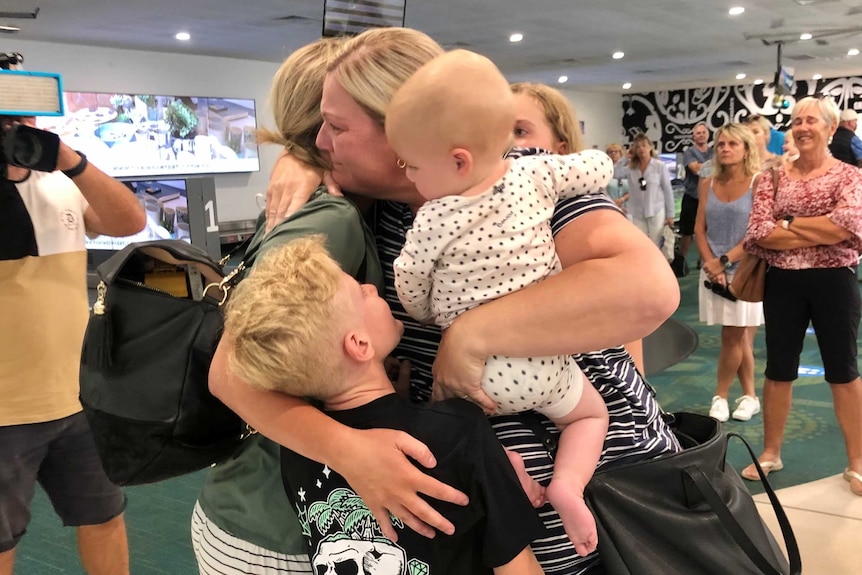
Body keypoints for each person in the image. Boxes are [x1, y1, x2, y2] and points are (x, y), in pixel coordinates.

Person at [213, 27, 681, 575]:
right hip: (489, 521)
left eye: (335, 127)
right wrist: (347, 451)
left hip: (619, 504)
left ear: (405, 132)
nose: (319, 141)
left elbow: (649, 289)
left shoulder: (512, 180)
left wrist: (471, 335)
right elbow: (233, 372)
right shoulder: (374, 211)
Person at [386, 49, 611, 556]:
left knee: (455, 428)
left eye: (413, 165)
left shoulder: (433, 218)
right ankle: (568, 486)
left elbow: (411, 287)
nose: (410, 177)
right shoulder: (534, 176)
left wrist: (425, 312)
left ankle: (506, 464)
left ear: (458, 160)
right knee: (587, 416)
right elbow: (594, 168)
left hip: (476, 374)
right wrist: (602, 160)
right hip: (544, 360)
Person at [225, 236, 545, 574]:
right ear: (359, 344)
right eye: (361, 292)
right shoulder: (459, 430)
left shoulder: (296, 450)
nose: (372, 289)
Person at [0, 117, 145, 573]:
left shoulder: (60, 182)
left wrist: (67, 158)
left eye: (24, 115)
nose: (16, 127)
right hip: (4, 410)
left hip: (76, 398)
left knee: (104, 519)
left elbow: (129, 220)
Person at [740, 96, 862, 498]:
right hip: (784, 283)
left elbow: (847, 228)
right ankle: (771, 451)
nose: (803, 126)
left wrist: (788, 222)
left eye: (812, 120)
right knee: (778, 369)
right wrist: (822, 226)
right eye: (797, 121)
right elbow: (759, 232)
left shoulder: (849, 176)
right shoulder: (773, 178)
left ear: (831, 129)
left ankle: (858, 460)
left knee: (843, 370)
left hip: (834, 281)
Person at [509, 82, 644, 374]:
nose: (504, 143)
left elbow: (630, 303)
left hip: (579, 378)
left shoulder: (577, 208)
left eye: (519, 131)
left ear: (562, 149)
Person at [694, 123, 764, 422]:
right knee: (739, 338)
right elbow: (699, 228)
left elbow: (758, 232)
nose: (725, 148)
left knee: (732, 336)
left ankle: (720, 395)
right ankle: (750, 395)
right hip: (713, 271)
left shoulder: (758, 182)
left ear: (746, 149)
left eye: (733, 144)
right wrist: (712, 263)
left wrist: (724, 261)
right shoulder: (707, 183)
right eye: (721, 144)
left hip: (745, 270)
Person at [626, 132, 675, 247]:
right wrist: (625, 157)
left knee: (656, 243)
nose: (641, 149)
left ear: (650, 147)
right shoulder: (631, 168)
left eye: (644, 145)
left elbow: (668, 190)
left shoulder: (659, 166)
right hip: (637, 212)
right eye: (637, 147)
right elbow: (616, 172)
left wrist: (670, 215)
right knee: (640, 243)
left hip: (656, 210)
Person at [680, 123, 713, 264]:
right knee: (686, 231)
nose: (701, 135)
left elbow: (703, 168)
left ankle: (703, 259)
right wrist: (714, 166)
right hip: (692, 197)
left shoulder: (714, 151)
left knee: (707, 230)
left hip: (710, 197)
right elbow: (696, 170)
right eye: (698, 133)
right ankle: (682, 260)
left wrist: (703, 166)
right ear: (693, 136)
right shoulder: (689, 152)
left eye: (703, 132)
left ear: (708, 134)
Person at [604, 143, 630, 214]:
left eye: (616, 151)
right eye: (611, 152)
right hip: (609, 206)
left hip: (627, 207)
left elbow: (635, 189)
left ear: (621, 153)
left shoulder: (628, 170)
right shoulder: (605, 171)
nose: (613, 154)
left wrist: (621, 200)